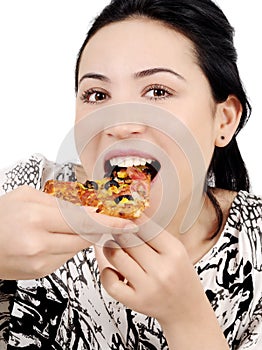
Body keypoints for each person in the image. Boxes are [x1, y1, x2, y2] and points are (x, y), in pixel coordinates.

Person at [0, 0, 261, 349]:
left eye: (158, 91)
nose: (120, 124)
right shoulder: (27, 194)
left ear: (224, 120)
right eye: (97, 94)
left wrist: (187, 318)